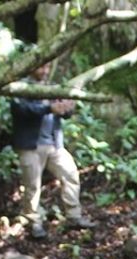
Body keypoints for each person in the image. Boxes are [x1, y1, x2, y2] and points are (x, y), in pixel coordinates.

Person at [11, 64, 96, 240]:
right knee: (32, 185)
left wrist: (68, 106)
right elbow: (22, 110)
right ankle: (34, 221)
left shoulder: (53, 88)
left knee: (70, 173)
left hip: (54, 144)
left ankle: (74, 216)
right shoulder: (21, 87)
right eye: (41, 67)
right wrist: (48, 108)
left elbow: (63, 112)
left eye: (47, 68)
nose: (45, 71)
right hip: (31, 146)